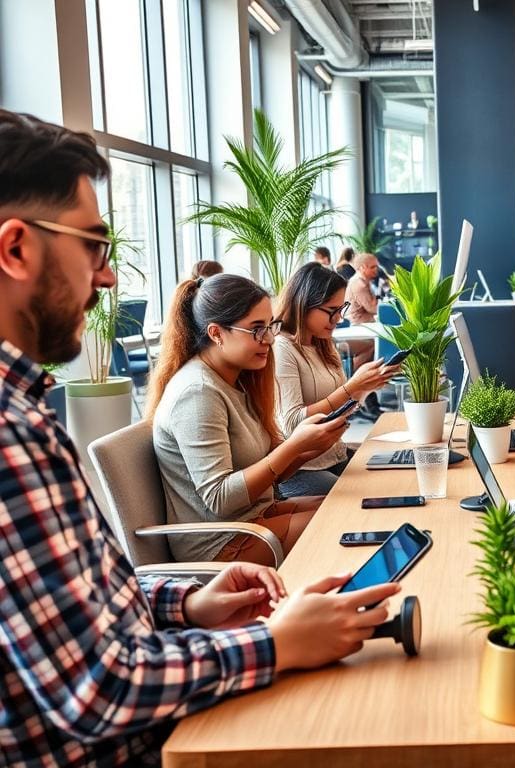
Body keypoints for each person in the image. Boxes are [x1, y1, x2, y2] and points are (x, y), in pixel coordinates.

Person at [0, 109, 399, 766]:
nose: (105, 277)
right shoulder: (13, 438)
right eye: (93, 246)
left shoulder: (26, 412)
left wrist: (183, 600)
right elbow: (99, 692)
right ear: (17, 248)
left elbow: (75, 612)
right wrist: (274, 645)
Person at [147, 273, 351, 566]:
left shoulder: (237, 381)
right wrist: (293, 447)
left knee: (349, 508)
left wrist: (313, 445)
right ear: (217, 333)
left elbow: (272, 472)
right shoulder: (198, 392)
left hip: (252, 517)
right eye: (257, 329)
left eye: (270, 326)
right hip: (221, 543)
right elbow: (220, 498)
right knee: (343, 523)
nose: (269, 338)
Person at [274, 263, 400, 494]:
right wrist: (352, 387)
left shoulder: (322, 343)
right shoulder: (282, 347)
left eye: (340, 309)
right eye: (330, 310)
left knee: (392, 480)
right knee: (365, 496)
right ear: (303, 304)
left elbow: (341, 408)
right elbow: (292, 423)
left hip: (334, 455)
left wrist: (365, 387)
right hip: (302, 469)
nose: (338, 319)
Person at [344, 252, 381, 366]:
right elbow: (373, 308)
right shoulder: (359, 284)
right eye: (372, 267)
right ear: (362, 267)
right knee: (374, 344)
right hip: (358, 324)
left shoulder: (363, 282)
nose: (376, 270)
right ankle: (352, 376)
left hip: (364, 323)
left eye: (376, 266)